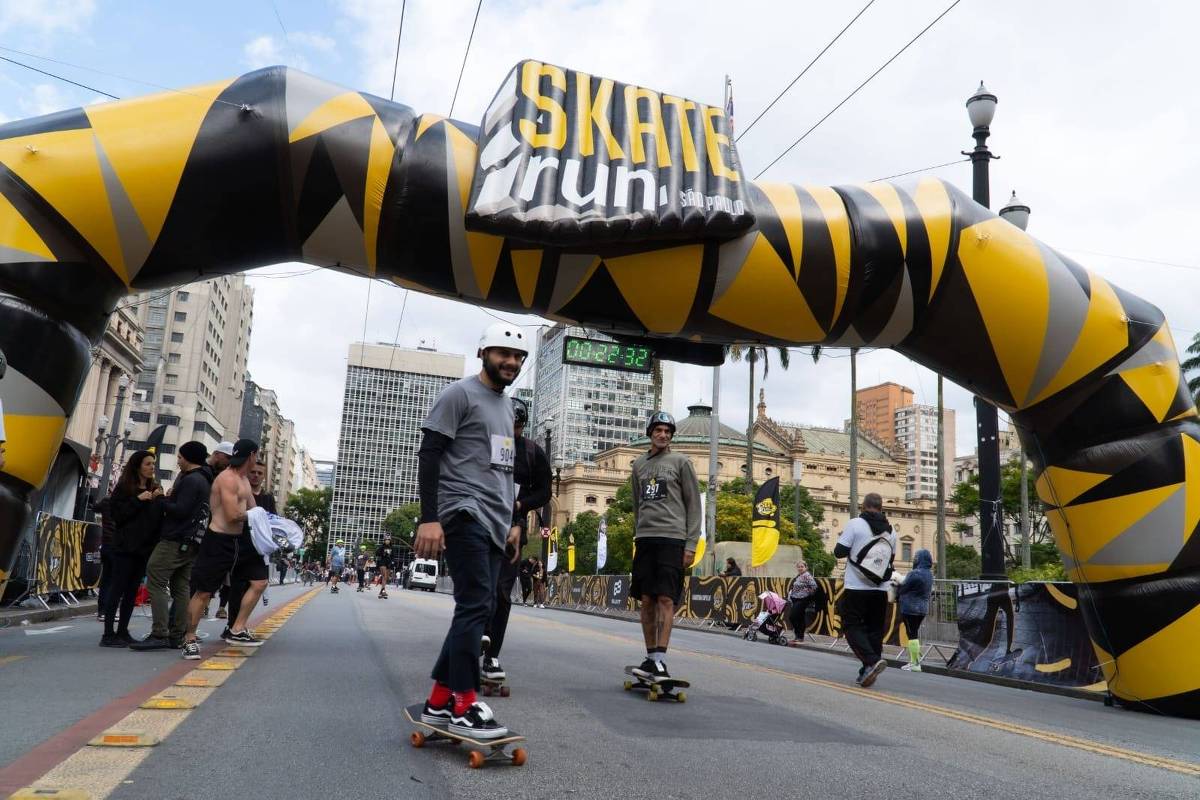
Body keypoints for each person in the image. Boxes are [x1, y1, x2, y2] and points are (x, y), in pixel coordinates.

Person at [414, 322, 527, 739]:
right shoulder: (458, 395)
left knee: (478, 608)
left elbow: (503, 470)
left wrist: (514, 525)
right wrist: (430, 518)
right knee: (476, 604)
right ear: (484, 353)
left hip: (496, 522)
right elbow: (430, 454)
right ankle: (465, 700)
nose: (511, 362)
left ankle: (440, 699)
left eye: (517, 357)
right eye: (503, 353)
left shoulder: (507, 408)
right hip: (463, 513)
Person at [482, 396, 551, 682]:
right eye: (508, 423)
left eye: (518, 426)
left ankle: (492, 655)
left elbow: (545, 491)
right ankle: (473, 641)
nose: (513, 430)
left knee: (501, 592)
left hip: (513, 529)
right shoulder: (483, 443)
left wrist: (521, 507)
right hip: (480, 524)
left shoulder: (532, 453)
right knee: (479, 590)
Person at [629, 411, 701, 682]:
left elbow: (694, 505)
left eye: (667, 431)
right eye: (658, 430)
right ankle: (649, 657)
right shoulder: (638, 465)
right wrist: (638, 535)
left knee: (665, 598)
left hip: (673, 539)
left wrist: (690, 544)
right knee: (646, 599)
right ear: (650, 433)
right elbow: (637, 505)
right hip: (646, 539)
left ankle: (660, 659)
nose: (663, 435)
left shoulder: (681, 462)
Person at [181, 439, 260, 659]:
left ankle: (237, 629)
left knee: (258, 581)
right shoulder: (227, 479)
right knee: (204, 592)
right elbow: (233, 515)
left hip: (238, 542)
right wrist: (258, 517)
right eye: (257, 455)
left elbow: (255, 509)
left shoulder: (244, 480)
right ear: (251, 455)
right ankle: (188, 639)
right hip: (218, 540)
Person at [132, 442, 211, 651]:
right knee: (181, 587)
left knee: (155, 579)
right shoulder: (204, 480)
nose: (178, 461)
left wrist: (160, 499)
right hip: (192, 541)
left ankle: (160, 632)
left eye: (180, 457)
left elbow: (181, 510)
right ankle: (178, 634)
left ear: (188, 458)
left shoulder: (191, 480)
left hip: (175, 539)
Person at [834, 492, 897, 688]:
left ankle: (870, 661)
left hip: (857, 585)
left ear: (863, 506)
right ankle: (867, 670)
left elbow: (839, 551)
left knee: (851, 624)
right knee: (874, 629)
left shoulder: (855, 524)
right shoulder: (892, 531)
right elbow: (891, 559)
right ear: (881, 507)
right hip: (880, 587)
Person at [100, 451, 163, 647]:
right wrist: (138, 500)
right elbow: (118, 515)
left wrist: (158, 500)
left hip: (143, 549)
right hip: (124, 547)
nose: (152, 467)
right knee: (117, 589)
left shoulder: (154, 489)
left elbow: (155, 520)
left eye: (153, 463)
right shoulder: (125, 487)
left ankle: (123, 631)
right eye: (147, 464)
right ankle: (108, 634)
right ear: (137, 466)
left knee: (131, 592)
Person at [220, 455, 273, 640]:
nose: (256, 476)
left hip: (259, 550)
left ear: (264, 476)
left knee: (258, 584)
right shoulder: (239, 492)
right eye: (253, 472)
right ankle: (232, 626)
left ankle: (238, 626)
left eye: (260, 473)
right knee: (237, 587)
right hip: (238, 545)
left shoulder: (267, 498)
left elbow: (271, 522)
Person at [895, 548, 934, 671]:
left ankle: (915, 663)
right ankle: (914, 662)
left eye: (916, 557)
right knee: (914, 634)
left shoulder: (914, 573)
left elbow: (903, 588)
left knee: (912, 635)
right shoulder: (929, 574)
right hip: (923, 608)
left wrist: (897, 591)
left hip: (910, 608)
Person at [786, 559, 819, 643]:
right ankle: (799, 637)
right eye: (799, 567)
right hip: (795, 599)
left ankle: (799, 635)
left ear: (806, 567)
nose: (800, 568)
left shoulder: (807, 576)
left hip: (802, 599)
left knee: (792, 616)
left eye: (802, 567)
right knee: (799, 618)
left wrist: (807, 594)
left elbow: (814, 586)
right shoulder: (799, 576)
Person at [375, 534, 397, 599]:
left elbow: (393, 556)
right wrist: (382, 553)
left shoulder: (392, 548)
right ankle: (383, 591)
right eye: (386, 540)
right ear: (384, 540)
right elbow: (377, 553)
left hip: (389, 563)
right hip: (382, 562)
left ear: (390, 541)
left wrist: (393, 562)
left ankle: (382, 591)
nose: (387, 541)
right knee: (384, 575)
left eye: (388, 540)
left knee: (386, 578)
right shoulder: (382, 547)